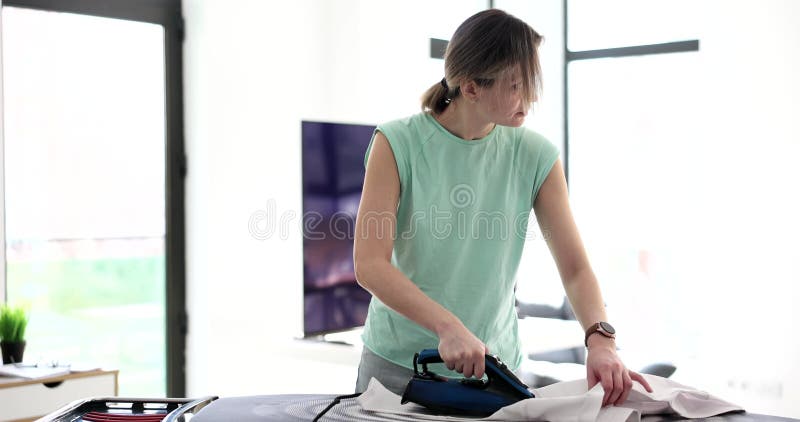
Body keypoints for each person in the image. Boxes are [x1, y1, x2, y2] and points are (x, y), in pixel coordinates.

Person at [352, 8, 653, 408]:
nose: (529, 98)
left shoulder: (536, 155)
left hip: (495, 371)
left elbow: (576, 269)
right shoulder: (396, 143)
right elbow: (370, 264)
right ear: (471, 88)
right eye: (516, 86)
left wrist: (601, 341)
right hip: (397, 368)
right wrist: (448, 327)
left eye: (531, 84)